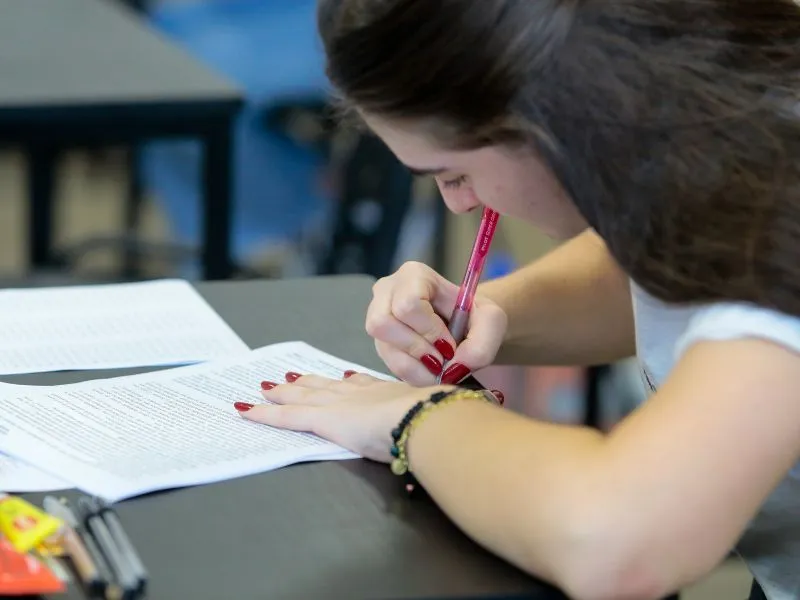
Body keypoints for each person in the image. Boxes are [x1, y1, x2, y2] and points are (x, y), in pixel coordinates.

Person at [231, 2, 800, 598]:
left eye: (452, 174)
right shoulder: (723, 119)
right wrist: (487, 311)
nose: (459, 204)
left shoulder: (779, 208)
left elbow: (616, 544)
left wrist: (412, 419)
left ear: (553, 117)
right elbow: (683, 285)